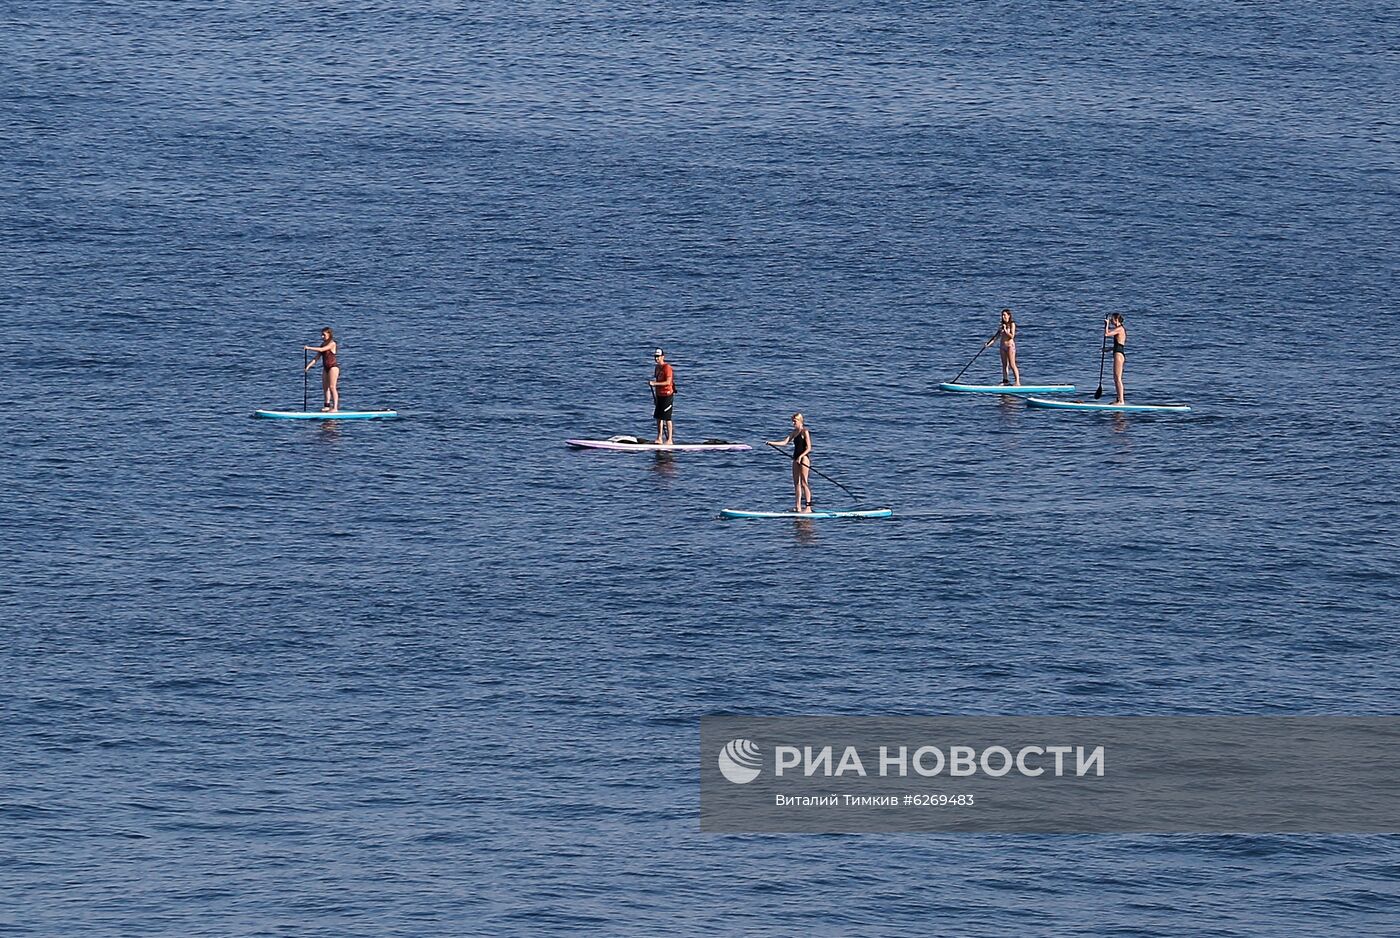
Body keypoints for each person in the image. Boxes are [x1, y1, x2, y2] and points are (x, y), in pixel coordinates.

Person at [768, 413, 813, 513]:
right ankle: (798, 507)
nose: (793, 423)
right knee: (796, 483)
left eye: (794, 421)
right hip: (795, 459)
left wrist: (801, 456)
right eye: (792, 421)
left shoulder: (805, 431)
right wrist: (771, 443)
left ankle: (808, 507)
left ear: (800, 421)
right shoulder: (794, 433)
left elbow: (809, 448)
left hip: (804, 458)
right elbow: (784, 442)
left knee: (804, 483)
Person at [304, 327, 340, 412]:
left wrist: (309, 348)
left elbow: (322, 350)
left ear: (329, 334)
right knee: (325, 388)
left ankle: (335, 408)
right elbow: (316, 358)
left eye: (324, 335)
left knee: (332, 387)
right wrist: (308, 366)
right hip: (325, 368)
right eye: (322, 335)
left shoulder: (332, 344)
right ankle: (327, 406)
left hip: (333, 367)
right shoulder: (322, 344)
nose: (322, 337)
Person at [648, 348, 675, 444]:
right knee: (658, 417)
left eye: (658, 357)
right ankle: (659, 438)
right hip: (659, 395)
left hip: (667, 395)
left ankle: (669, 439)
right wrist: (656, 396)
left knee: (667, 417)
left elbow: (668, 382)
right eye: (655, 357)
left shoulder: (667, 368)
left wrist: (654, 384)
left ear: (662, 357)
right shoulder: (657, 368)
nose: (656, 359)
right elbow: (657, 382)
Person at [1104, 313, 1127, 404]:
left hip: (1118, 355)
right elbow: (1118, 345)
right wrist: (1108, 349)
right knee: (1116, 378)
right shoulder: (1120, 329)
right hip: (1118, 353)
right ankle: (1118, 399)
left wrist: (1106, 325)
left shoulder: (1120, 329)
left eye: (1112, 320)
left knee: (1118, 378)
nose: (1111, 321)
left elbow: (1107, 334)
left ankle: (1121, 401)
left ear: (1116, 319)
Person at [997, 308, 1020, 386]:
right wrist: (988, 344)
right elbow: (996, 336)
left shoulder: (1012, 324)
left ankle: (1017, 382)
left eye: (1005, 315)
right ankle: (1005, 381)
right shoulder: (1002, 325)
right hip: (1002, 346)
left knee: (1012, 364)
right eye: (1002, 315)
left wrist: (1006, 331)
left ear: (1009, 316)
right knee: (1004, 364)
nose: (1003, 317)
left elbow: (1012, 336)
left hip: (1010, 346)